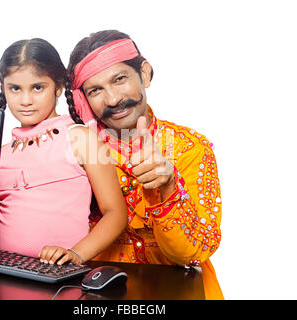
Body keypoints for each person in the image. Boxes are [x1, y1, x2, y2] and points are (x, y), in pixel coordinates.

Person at [65, 30, 223, 299]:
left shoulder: (190, 148)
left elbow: (190, 254)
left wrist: (168, 188)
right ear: (83, 99)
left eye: (119, 79)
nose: (113, 99)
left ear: (145, 74)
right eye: (95, 90)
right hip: (97, 293)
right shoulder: (74, 150)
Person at [0, 38, 127, 266]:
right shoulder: (0, 153)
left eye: (37, 88)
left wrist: (76, 254)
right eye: (15, 88)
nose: (26, 100)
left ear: (58, 87)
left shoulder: (80, 138)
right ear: (3, 89)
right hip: (0, 269)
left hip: (58, 275)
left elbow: (115, 214)